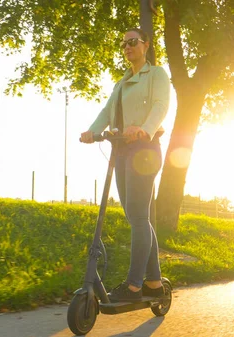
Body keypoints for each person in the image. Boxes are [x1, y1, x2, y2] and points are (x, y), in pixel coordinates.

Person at [80, 28, 170, 303]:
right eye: (123, 44)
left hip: (144, 149)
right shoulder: (121, 84)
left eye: (132, 42)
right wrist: (91, 131)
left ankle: (133, 286)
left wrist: (144, 129)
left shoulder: (156, 75)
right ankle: (153, 282)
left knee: (138, 215)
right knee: (135, 217)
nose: (127, 47)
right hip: (121, 151)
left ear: (146, 45)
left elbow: (160, 105)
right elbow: (107, 113)